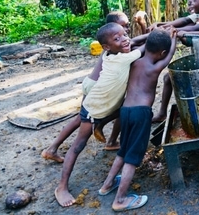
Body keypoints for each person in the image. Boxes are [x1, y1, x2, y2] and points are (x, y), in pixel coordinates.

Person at [55, 22, 145, 207]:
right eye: (117, 38)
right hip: (94, 109)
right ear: (106, 47)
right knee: (78, 146)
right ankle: (61, 187)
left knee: (122, 111)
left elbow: (133, 41)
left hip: (107, 107)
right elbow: (145, 47)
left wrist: (132, 39)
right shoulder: (122, 58)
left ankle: (102, 128)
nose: (125, 39)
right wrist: (158, 34)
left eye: (124, 35)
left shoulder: (112, 54)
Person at [97, 29, 177, 212]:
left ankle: (107, 184)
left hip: (125, 111)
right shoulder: (155, 67)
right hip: (141, 113)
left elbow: (140, 46)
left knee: (124, 150)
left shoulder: (134, 61)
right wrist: (174, 39)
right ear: (161, 53)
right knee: (132, 158)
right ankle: (120, 199)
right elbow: (170, 55)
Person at [41, 11, 134, 163]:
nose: (127, 30)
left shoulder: (115, 42)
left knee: (118, 109)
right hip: (95, 86)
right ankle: (53, 148)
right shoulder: (114, 44)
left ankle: (109, 140)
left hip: (91, 82)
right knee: (82, 119)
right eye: (123, 26)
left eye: (127, 27)